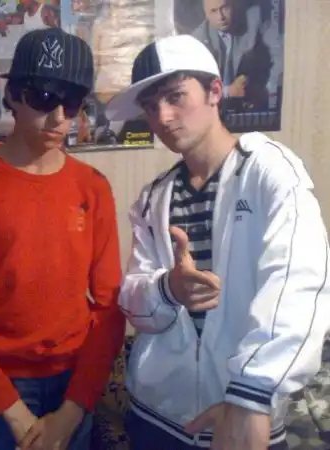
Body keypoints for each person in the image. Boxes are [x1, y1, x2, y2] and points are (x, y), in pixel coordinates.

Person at [106, 34, 330, 450]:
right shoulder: (153, 197)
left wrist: (251, 394)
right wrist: (168, 288)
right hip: (155, 415)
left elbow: (300, 285)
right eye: (151, 106)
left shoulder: (268, 171)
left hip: (243, 412)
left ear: (214, 91)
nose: (163, 117)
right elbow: (134, 302)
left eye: (175, 97)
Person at [0, 28, 125, 450]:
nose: (58, 117)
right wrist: (11, 411)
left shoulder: (92, 187)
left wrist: (74, 408)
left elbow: (109, 306)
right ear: (14, 95)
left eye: (71, 103)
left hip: (72, 384)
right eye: (44, 97)